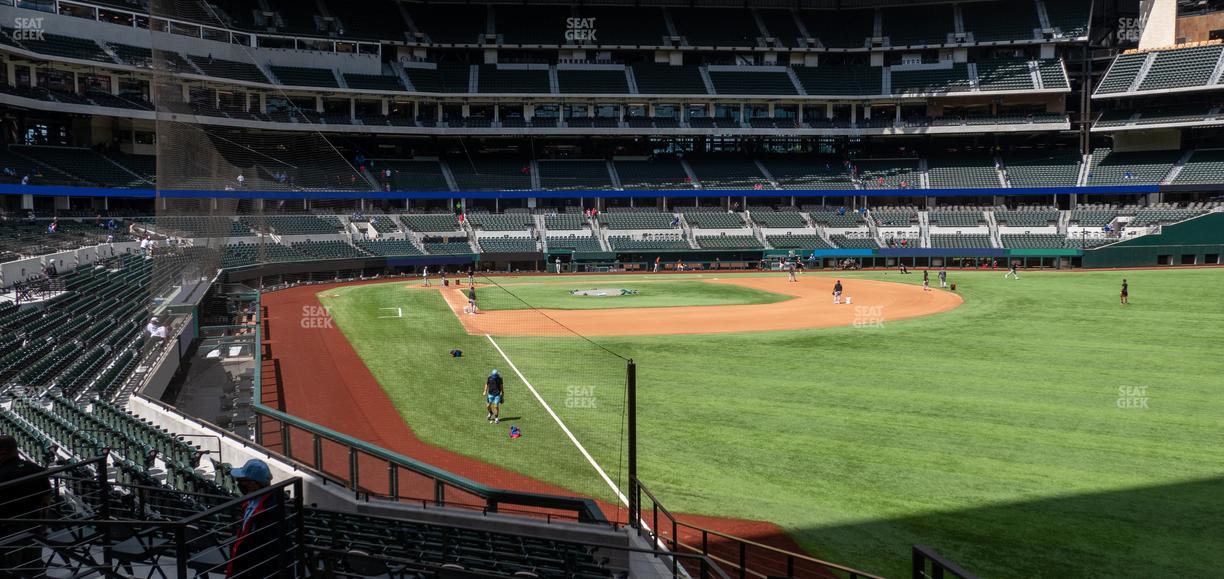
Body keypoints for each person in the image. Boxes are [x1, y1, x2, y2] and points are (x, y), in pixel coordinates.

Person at [0, 434, 52, 576]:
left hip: (9, 531)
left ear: (3, 452)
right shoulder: (36, 469)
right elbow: (46, 498)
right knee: (33, 569)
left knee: (9, 571)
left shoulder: (2, 475)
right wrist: (43, 523)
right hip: (34, 526)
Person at [226, 459, 286, 579]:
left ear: (253, 484)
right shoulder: (252, 501)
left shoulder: (271, 508)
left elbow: (266, 548)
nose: (240, 483)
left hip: (257, 568)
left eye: (243, 481)